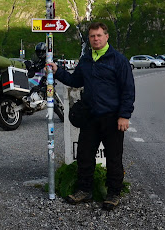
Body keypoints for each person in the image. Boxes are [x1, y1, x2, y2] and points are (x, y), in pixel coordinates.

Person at [49, 21, 135, 211]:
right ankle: (84, 190)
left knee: (114, 158)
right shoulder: (86, 59)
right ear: (89, 39)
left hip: (112, 117)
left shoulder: (118, 60)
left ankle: (113, 193)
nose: (96, 39)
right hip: (90, 116)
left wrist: (124, 115)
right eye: (92, 36)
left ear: (106, 36)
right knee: (84, 155)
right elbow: (75, 80)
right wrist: (58, 71)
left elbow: (128, 89)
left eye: (99, 35)